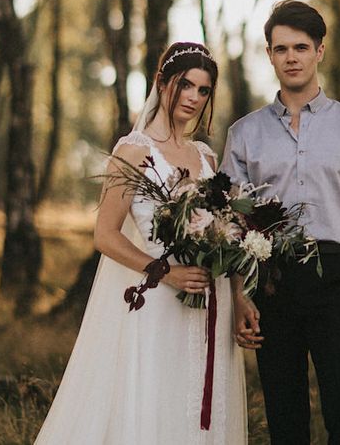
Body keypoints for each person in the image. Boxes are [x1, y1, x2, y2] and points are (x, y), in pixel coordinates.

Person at [35, 42, 247, 445]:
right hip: (159, 301)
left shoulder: (205, 157)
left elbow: (222, 227)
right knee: (157, 400)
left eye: (204, 90)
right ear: (162, 83)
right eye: (185, 85)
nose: (193, 98)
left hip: (206, 301)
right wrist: (167, 272)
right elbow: (105, 235)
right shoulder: (133, 151)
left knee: (198, 403)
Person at [221, 1, 340, 445]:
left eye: (301, 47)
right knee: (285, 418)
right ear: (269, 54)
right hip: (272, 284)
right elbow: (231, 224)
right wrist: (241, 296)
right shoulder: (244, 134)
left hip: (334, 279)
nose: (292, 57)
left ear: (320, 50)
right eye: (281, 49)